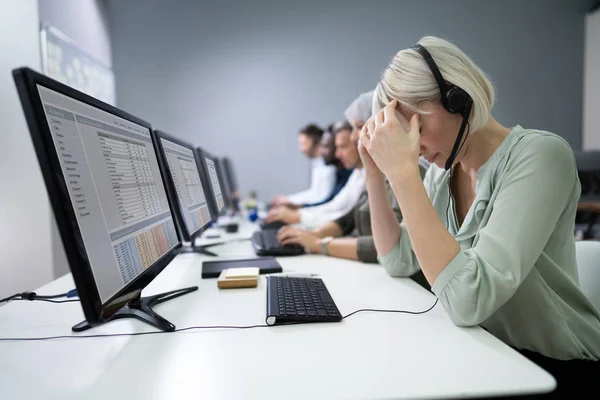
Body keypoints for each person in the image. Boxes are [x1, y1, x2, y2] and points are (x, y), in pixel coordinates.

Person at [360, 36, 600, 396]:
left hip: (557, 367)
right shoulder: (443, 175)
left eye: (418, 130)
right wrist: (374, 172)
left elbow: (471, 298)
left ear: (459, 98)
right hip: (487, 352)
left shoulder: (540, 155)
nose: (417, 149)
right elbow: (396, 259)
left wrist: (404, 174)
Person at [266, 111, 368, 229]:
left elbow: (341, 212)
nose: (336, 154)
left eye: (342, 147)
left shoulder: (349, 171)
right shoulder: (356, 173)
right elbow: (335, 205)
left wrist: (299, 214)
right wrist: (298, 212)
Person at [284, 124, 353, 209]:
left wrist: (298, 209)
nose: (322, 151)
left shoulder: (336, 170)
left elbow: (330, 203)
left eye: (325, 146)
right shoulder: (339, 171)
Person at [271, 124, 336, 206]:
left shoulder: (328, 166)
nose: (301, 149)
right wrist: (288, 199)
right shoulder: (317, 163)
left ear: (318, 143)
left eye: (304, 144)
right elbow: (314, 192)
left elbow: (321, 197)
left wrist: (291, 202)